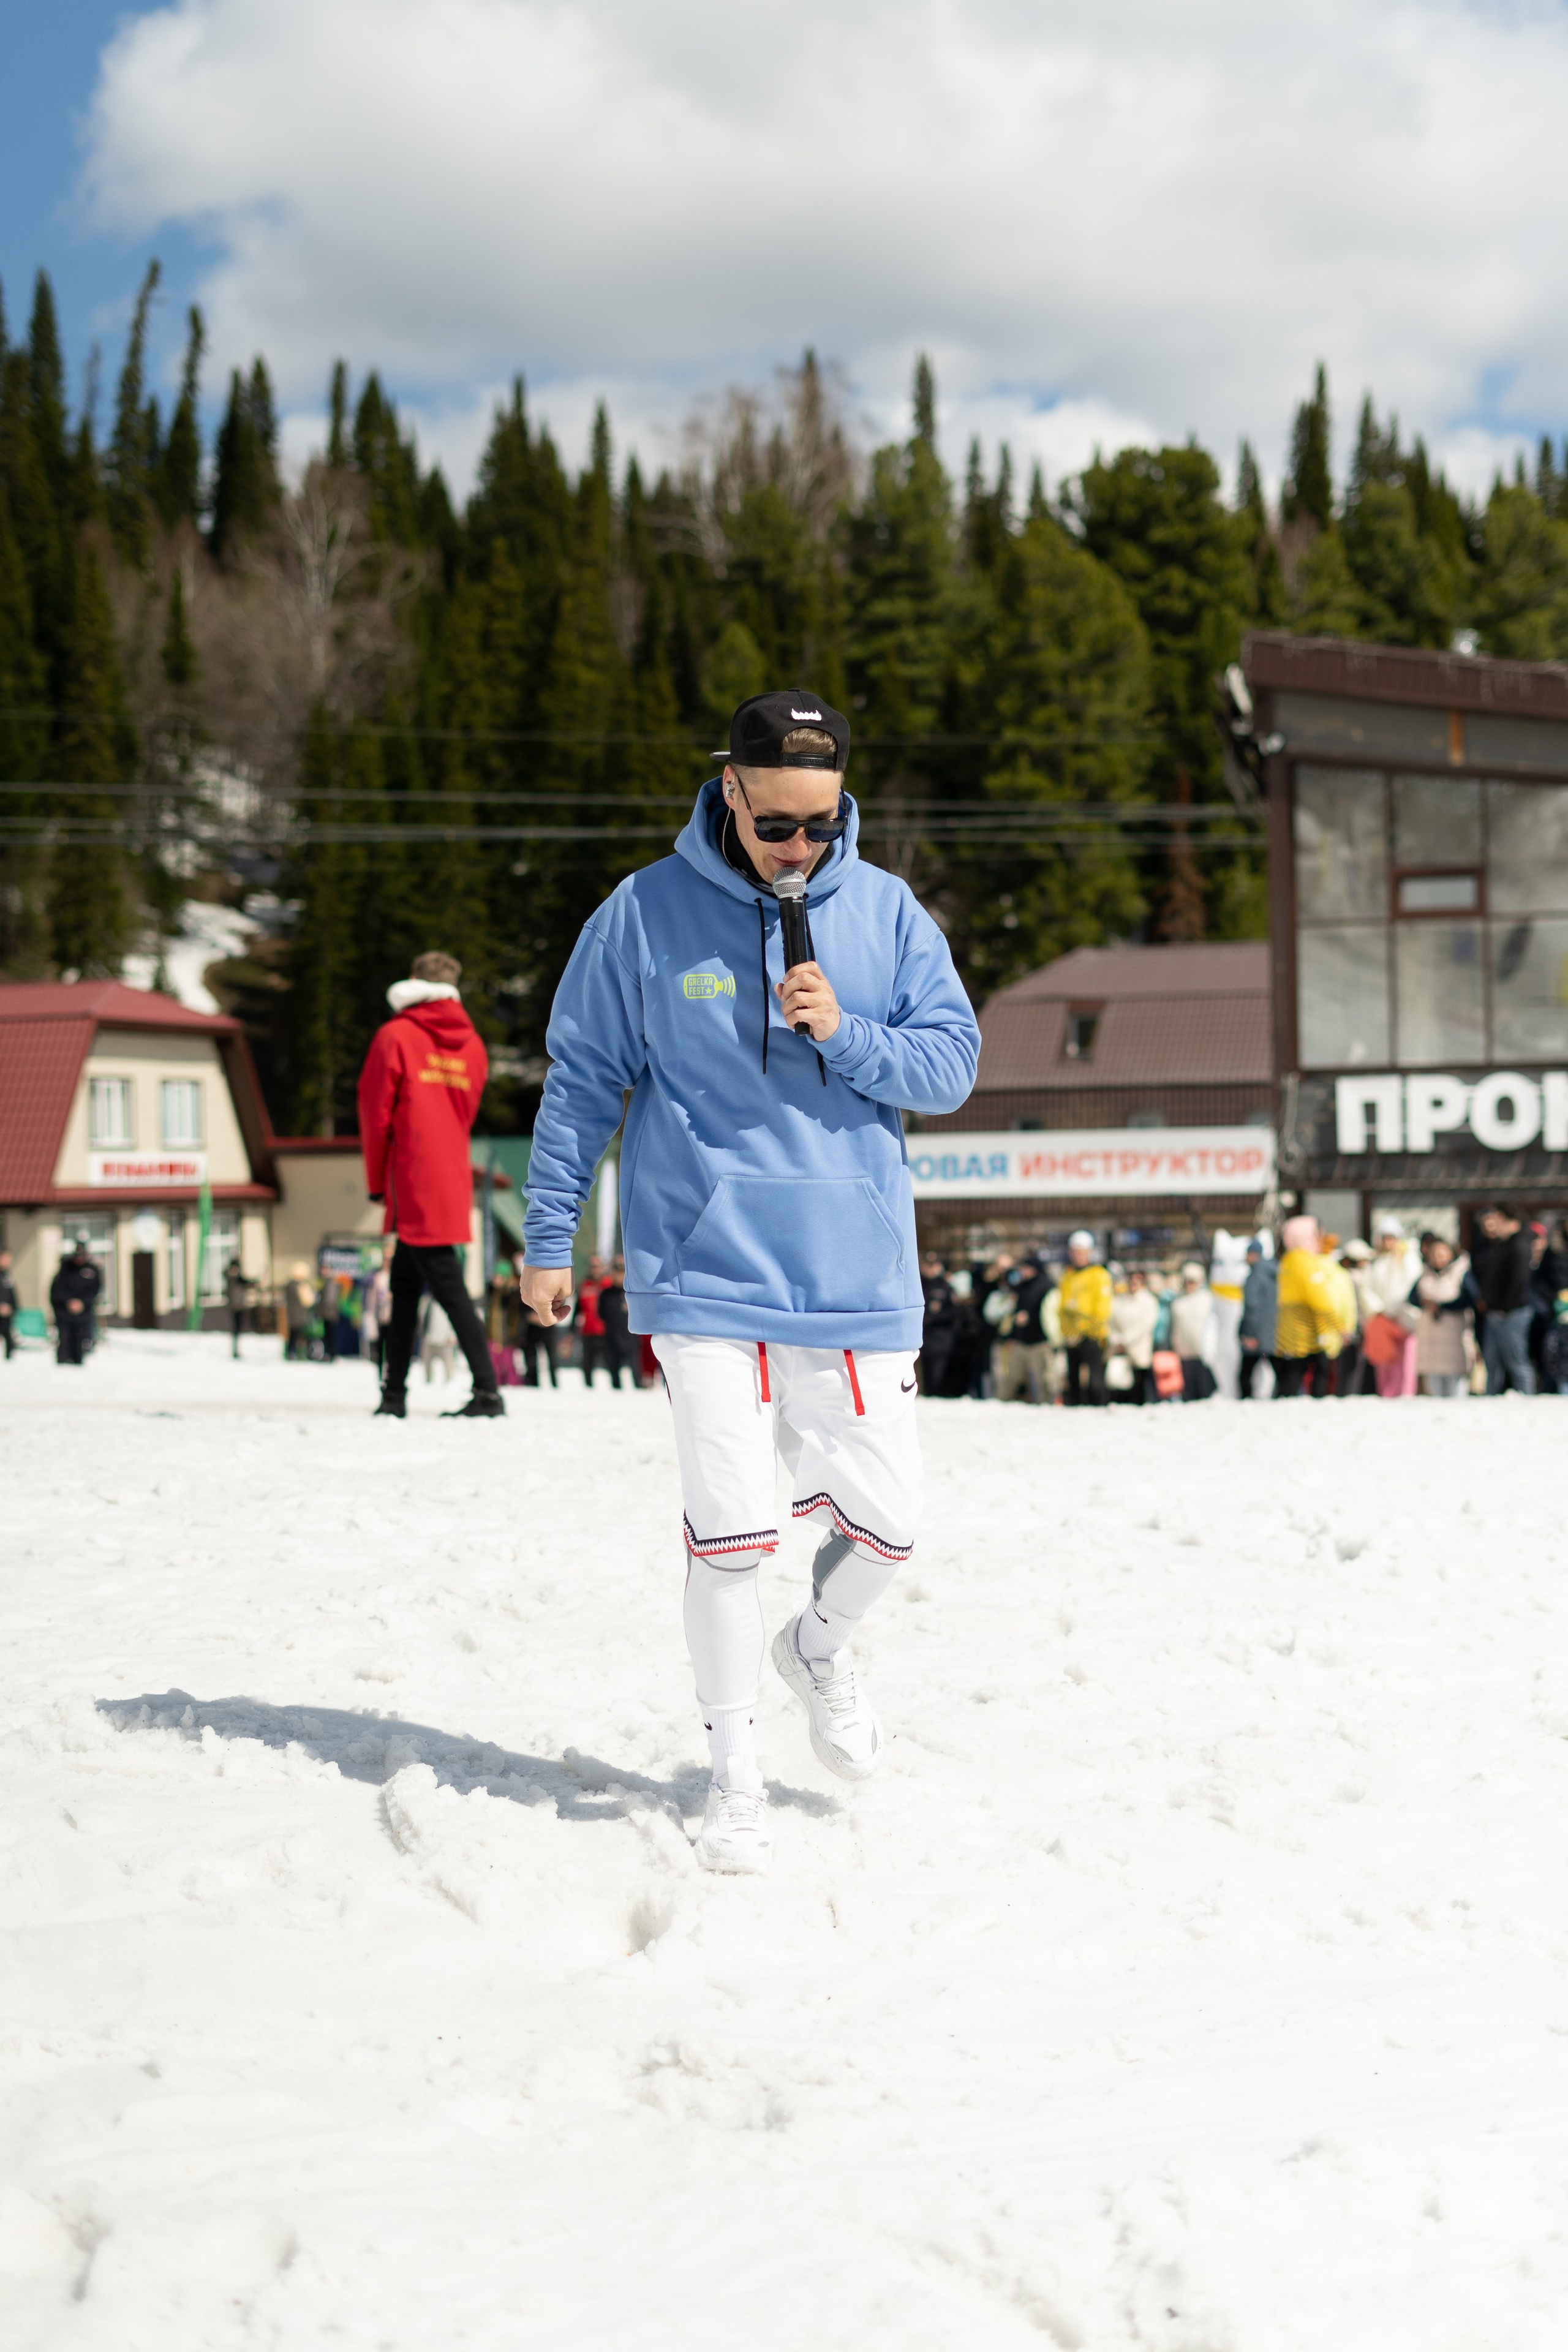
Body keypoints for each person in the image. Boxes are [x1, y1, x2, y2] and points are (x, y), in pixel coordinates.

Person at [518, 690, 979, 1874]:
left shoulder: (885, 912)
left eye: (823, 825)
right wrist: (550, 1239)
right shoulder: (641, 916)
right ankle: (736, 1778)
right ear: (730, 789)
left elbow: (954, 1065)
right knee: (729, 1537)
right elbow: (579, 1088)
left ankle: (818, 1645)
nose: (802, 848)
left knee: (894, 1529)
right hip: (703, 1272)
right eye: (778, 824)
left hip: (856, 1275)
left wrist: (852, 1038)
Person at [358, 950, 503, 1420]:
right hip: (451, 1175)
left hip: (412, 1176)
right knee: (405, 1288)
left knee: (447, 1288)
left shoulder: (395, 1036)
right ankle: (394, 1394)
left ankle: (488, 1392)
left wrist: (378, 1179)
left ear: (414, 982)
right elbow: (464, 1112)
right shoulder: (474, 1046)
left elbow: (376, 1114)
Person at [1273, 1215, 1342, 1396]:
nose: (1321, 1236)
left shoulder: (1288, 1260)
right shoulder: (1304, 1261)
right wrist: (1339, 1325)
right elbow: (1321, 1300)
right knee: (1315, 1372)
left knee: (1292, 1376)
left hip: (1289, 1332)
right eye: (1318, 1232)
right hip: (1306, 1332)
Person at [1472, 1205, 1535, 1395]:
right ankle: (1491, 1398)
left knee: (1517, 1361)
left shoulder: (1520, 1245)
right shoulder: (1500, 1245)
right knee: (1492, 1362)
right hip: (1496, 1311)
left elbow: (1519, 1282)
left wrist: (1505, 1307)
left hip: (1511, 1313)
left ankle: (1527, 1399)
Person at [1359, 1215, 1420, 1399]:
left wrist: (1394, 1309)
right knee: (1384, 1358)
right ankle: (1386, 1393)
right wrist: (1380, 1310)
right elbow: (1366, 1287)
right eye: (1385, 1238)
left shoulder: (1409, 1259)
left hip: (1404, 1317)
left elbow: (1410, 1285)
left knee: (1406, 1359)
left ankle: (1405, 1393)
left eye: (1391, 1237)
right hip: (1382, 1317)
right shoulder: (1376, 1261)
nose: (1388, 1242)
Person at [1058, 1231, 1111, 1406]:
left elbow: (1102, 1308)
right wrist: (1068, 1331)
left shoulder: (1098, 1275)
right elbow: (1063, 1306)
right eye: (1074, 1251)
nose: (1078, 1255)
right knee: (1073, 1380)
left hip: (1092, 1335)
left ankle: (1099, 1412)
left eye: (1081, 1251)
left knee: (1095, 1382)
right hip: (1072, 1336)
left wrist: (1089, 1330)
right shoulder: (1069, 1275)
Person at [1414, 1233, 1471, 1397]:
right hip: (1431, 1337)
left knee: (1456, 1382)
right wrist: (1426, 1304)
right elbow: (1412, 1297)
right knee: (1434, 1384)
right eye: (1434, 1254)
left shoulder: (1461, 1273)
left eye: (1442, 1254)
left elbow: (1470, 1299)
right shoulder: (1425, 1274)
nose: (1438, 1258)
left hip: (1454, 1335)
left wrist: (1444, 1307)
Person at [1108, 1266, 1159, 1403]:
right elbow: (1112, 1322)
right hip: (1120, 1349)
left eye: (1137, 1282)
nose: (1133, 1285)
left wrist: (1126, 1340)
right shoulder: (1120, 1300)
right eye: (1131, 1282)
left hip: (1139, 1348)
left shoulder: (1149, 1301)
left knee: (1141, 1384)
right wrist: (1117, 1340)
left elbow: (1145, 1326)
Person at [1169, 1261, 1217, 1400]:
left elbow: (1211, 1325)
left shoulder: (1206, 1299)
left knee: (1204, 1390)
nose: (1189, 1285)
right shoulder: (1178, 1301)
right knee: (1187, 1391)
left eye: (1193, 1282)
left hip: (1201, 1352)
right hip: (1183, 1352)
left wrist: (1210, 1348)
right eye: (1187, 1282)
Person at [50, 1238, 102, 1365]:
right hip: (65, 1312)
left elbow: (95, 1290)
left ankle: (78, 1361)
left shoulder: (92, 1270)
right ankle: (63, 1362)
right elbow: (58, 1288)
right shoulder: (66, 1268)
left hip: (83, 1312)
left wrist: (82, 1302)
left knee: (81, 1338)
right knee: (65, 1338)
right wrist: (69, 1301)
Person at [1238, 1238, 1277, 1400]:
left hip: (1256, 1334)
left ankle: (1246, 1402)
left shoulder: (1254, 1277)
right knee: (1279, 1370)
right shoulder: (1275, 1274)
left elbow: (1252, 1307)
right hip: (1274, 1333)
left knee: (1245, 1375)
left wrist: (1249, 1333)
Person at [918, 1253, 957, 1396]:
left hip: (940, 1338)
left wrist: (934, 1318)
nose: (930, 1269)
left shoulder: (945, 1287)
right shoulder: (918, 1284)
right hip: (922, 1338)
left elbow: (954, 1312)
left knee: (938, 1376)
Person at [575, 1253, 616, 1387]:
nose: (595, 1269)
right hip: (588, 1331)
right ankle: (588, 1390)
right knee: (587, 1364)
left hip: (606, 1331)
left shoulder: (609, 1284)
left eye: (597, 1266)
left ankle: (617, 1390)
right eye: (592, 1266)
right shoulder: (585, 1285)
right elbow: (578, 1309)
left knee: (612, 1364)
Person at [600, 1254, 638, 1387]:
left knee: (636, 1373)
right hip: (612, 1336)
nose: (619, 1276)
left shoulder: (632, 1292)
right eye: (616, 1272)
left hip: (631, 1337)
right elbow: (602, 1314)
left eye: (622, 1272)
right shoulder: (606, 1294)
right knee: (614, 1376)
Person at [362, 1245, 393, 1378]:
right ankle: (380, 1373)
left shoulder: (396, 1277)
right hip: (379, 1315)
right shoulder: (376, 1277)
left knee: (392, 1347)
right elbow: (370, 1298)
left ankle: (391, 1374)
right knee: (379, 1345)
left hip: (392, 1316)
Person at [283, 1261, 315, 1360]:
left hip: (291, 1314)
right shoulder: (301, 1287)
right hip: (300, 1315)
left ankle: (290, 1352)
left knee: (292, 1335)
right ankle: (297, 1352)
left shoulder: (289, 1286)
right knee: (299, 1335)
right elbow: (309, 1301)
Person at [0, 1248, 17, 1359]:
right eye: (5, 1259)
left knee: (9, 1341)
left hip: (7, 1314)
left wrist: (13, 1308)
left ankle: (9, 1361)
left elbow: (11, 1294)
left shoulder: (6, 1275)